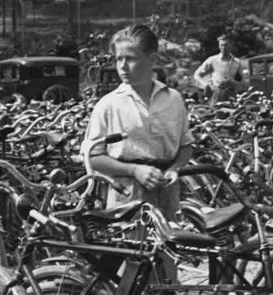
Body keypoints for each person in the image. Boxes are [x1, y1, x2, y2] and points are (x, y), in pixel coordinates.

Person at [82, 24, 194, 218]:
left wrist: (175, 169)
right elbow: (92, 156)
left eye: (131, 58)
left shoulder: (173, 99)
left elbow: (186, 145)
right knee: (132, 244)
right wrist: (134, 170)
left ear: (152, 60)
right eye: (118, 59)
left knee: (172, 245)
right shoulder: (108, 104)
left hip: (168, 192)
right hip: (127, 194)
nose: (122, 66)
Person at [193, 32, 249, 104]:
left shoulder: (237, 62)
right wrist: (206, 84)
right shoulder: (212, 60)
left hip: (231, 94)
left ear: (230, 46)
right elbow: (196, 74)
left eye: (226, 45)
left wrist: (234, 83)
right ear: (219, 46)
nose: (224, 48)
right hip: (216, 93)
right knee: (216, 113)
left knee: (232, 113)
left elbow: (246, 82)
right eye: (221, 45)